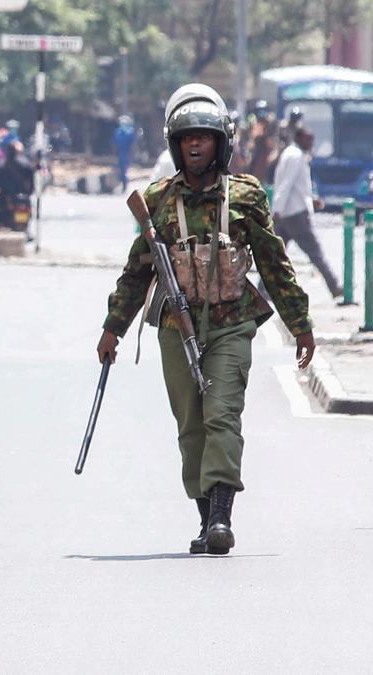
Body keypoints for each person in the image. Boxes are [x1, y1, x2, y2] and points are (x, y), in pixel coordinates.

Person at [96, 83, 315, 557]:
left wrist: (301, 323)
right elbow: (138, 270)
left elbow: (275, 263)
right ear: (176, 146)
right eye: (187, 138)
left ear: (221, 143)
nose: (196, 144)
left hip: (231, 324)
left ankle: (221, 517)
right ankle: (204, 517)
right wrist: (113, 328)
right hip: (177, 329)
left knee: (222, 415)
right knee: (191, 426)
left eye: (205, 137)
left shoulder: (246, 195)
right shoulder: (157, 199)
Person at [272, 127, 343, 300]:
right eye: (308, 139)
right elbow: (286, 184)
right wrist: (277, 209)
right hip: (295, 215)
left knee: (274, 256)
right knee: (315, 252)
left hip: (287, 213)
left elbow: (296, 187)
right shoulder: (295, 156)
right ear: (299, 138)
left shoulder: (292, 153)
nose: (312, 143)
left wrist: (311, 200)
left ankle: (263, 288)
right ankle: (334, 286)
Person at [113, 115, 137, 193]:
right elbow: (115, 143)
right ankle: (123, 184)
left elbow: (133, 145)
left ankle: (124, 186)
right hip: (120, 153)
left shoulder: (131, 132)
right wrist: (114, 153)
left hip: (126, 153)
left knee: (124, 170)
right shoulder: (118, 132)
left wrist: (132, 154)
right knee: (120, 170)